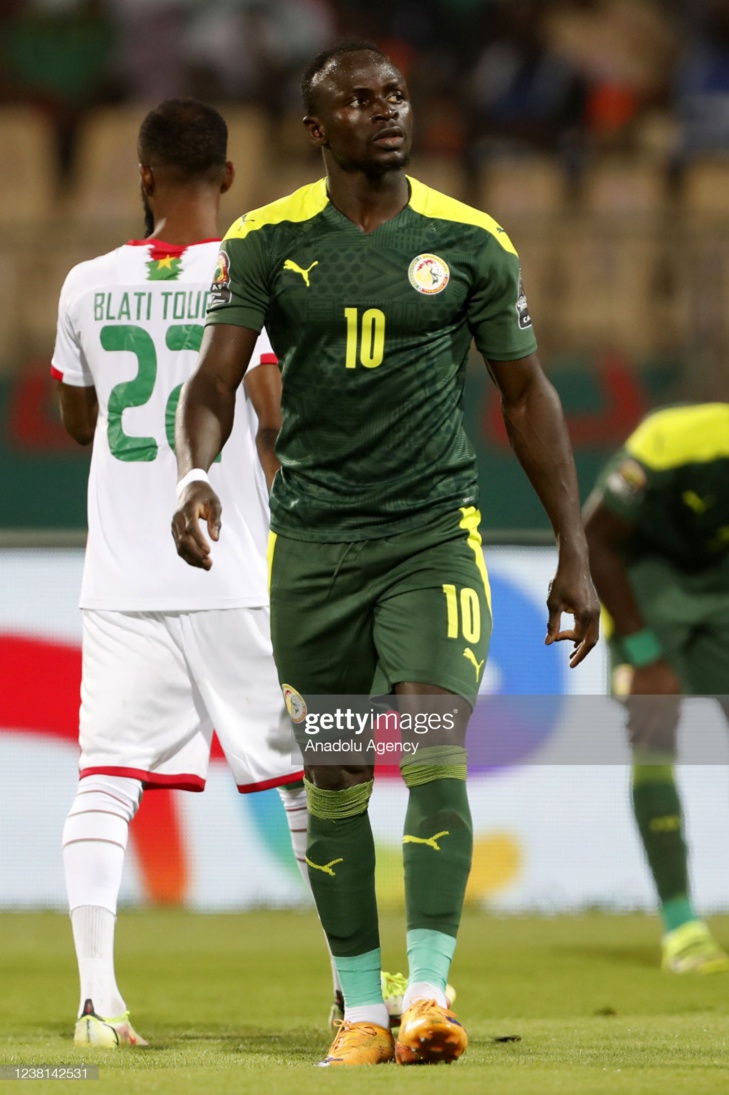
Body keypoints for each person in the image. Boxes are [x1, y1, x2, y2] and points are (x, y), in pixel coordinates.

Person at [172, 41, 599, 1067]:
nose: (386, 111)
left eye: (396, 94)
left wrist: (573, 552)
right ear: (316, 129)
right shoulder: (267, 244)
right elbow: (214, 384)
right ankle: (363, 1010)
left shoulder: (470, 241)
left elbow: (527, 395)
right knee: (336, 776)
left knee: (434, 740)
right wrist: (195, 475)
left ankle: (431, 997)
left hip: (431, 537)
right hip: (314, 547)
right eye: (358, 101)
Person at [52, 98, 312, 1049]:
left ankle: (94, 1000)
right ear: (231, 181)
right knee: (296, 779)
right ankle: (349, 997)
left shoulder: (85, 283)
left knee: (104, 781)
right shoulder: (250, 274)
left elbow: (79, 422)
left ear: (143, 175)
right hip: (231, 564)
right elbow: (273, 405)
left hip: (121, 571)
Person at [584, 402, 729, 974]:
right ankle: (682, 928)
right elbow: (595, 537)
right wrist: (645, 656)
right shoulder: (671, 442)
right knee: (654, 729)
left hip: (722, 584)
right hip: (648, 584)